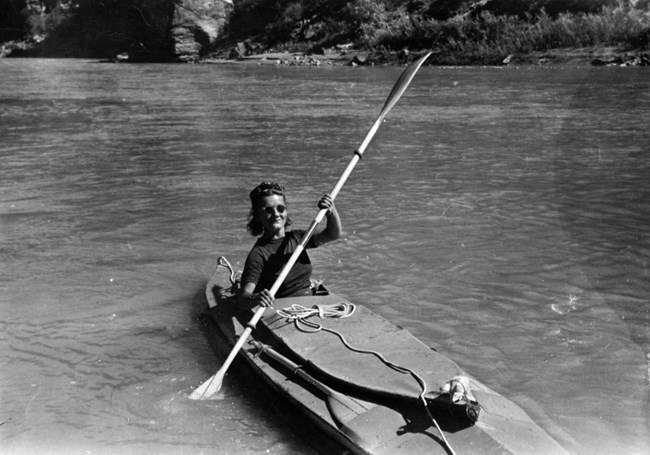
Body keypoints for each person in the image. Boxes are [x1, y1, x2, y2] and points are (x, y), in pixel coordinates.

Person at [238, 182, 341, 310]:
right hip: (284, 310)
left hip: (311, 304)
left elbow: (332, 234)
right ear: (258, 216)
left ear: (286, 211)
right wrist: (257, 297)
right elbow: (243, 298)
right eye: (268, 210)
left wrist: (331, 211)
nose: (276, 214)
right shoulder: (258, 254)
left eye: (280, 208)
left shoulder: (298, 238)